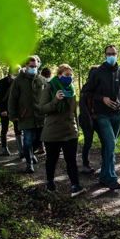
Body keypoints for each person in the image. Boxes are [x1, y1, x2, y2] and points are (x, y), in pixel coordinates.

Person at [39, 64, 86, 197]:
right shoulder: (50, 87)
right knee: (51, 159)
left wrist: (77, 128)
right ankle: (50, 183)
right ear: (59, 75)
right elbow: (42, 109)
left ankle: (75, 185)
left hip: (70, 130)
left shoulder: (72, 89)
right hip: (53, 131)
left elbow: (73, 111)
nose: (69, 78)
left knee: (71, 159)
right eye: (66, 75)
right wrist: (55, 100)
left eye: (71, 75)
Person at [86, 45, 120, 189]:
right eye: (109, 54)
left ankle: (103, 177)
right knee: (110, 144)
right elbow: (87, 91)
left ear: (118, 55)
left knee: (109, 146)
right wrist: (102, 98)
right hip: (102, 115)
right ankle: (111, 178)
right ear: (105, 55)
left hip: (117, 116)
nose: (111, 56)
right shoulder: (98, 72)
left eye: (114, 53)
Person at [9, 56, 45, 173]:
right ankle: (29, 163)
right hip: (25, 116)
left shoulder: (40, 79)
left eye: (35, 66)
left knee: (38, 140)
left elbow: (46, 96)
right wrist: (13, 114)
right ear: (26, 66)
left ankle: (30, 153)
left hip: (40, 116)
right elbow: (12, 99)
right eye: (31, 67)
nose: (34, 69)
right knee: (28, 140)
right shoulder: (19, 81)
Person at [0, 66, 22, 157]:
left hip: (16, 109)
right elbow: (0, 97)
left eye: (19, 73)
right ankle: (4, 148)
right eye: (16, 73)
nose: (18, 74)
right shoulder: (3, 82)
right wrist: (3, 109)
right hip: (5, 109)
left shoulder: (20, 82)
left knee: (18, 129)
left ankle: (21, 150)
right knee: (4, 128)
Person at [79, 65, 99, 174]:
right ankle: (85, 164)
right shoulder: (86, 87)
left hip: (98, 119)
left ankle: (106, 164)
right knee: (88, 142)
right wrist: (89, 120)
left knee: (106, 141)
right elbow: (83, 107)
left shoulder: (101, 86)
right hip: (87, 119)